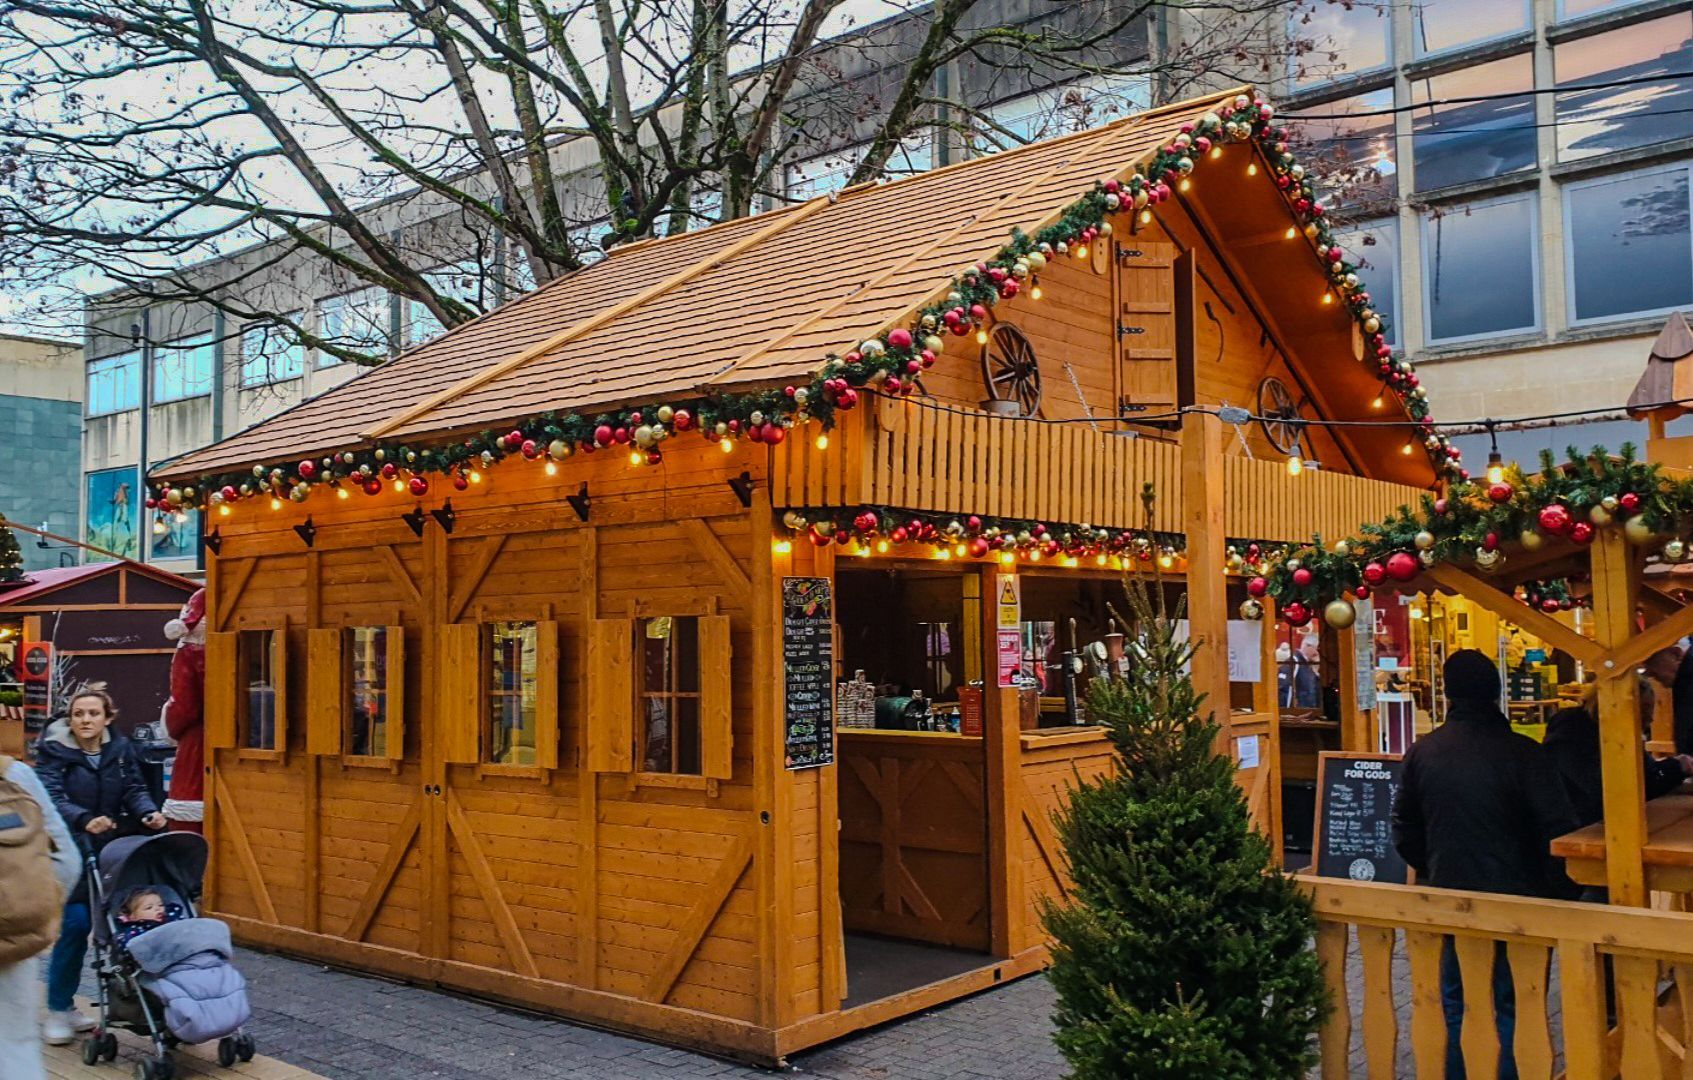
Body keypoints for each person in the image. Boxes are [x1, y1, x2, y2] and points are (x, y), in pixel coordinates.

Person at [1392, 650, 1582, 1080]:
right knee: (1513, 999)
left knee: (1458, 999)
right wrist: (1556, 891)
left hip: (1452, 893)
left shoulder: (1424, 752)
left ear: (1448, 691)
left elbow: (1405, 828)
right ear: (1496, 691)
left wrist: (1433, 867)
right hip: (1520, 899)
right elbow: (1558, 830)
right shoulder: (1524, 753)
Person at [34, 686, 166, 1045]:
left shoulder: (120, 750)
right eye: (78, 714)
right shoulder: (53, 752)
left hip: (111, 850)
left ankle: (135, 1003)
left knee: (121, 926)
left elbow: (133, 789)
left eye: (93, 714)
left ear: (108, 718)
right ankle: (60, 1009)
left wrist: (147, 812)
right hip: (69, 850)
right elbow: (51, 798)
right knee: (76, 926)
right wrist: (84, 820)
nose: (85, 720)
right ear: (69, 719)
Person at [0, 755, 78, 1080]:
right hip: (10, 946)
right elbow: (67, 862)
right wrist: (29, 916)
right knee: (15, 1046)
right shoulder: (12, 774)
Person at [114, 888, 184, 947]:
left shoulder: (173, 916)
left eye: (160, 905)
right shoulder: (134, 931)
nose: (157, 908)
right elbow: (127, 946)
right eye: (149, 907)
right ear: (133, 917)